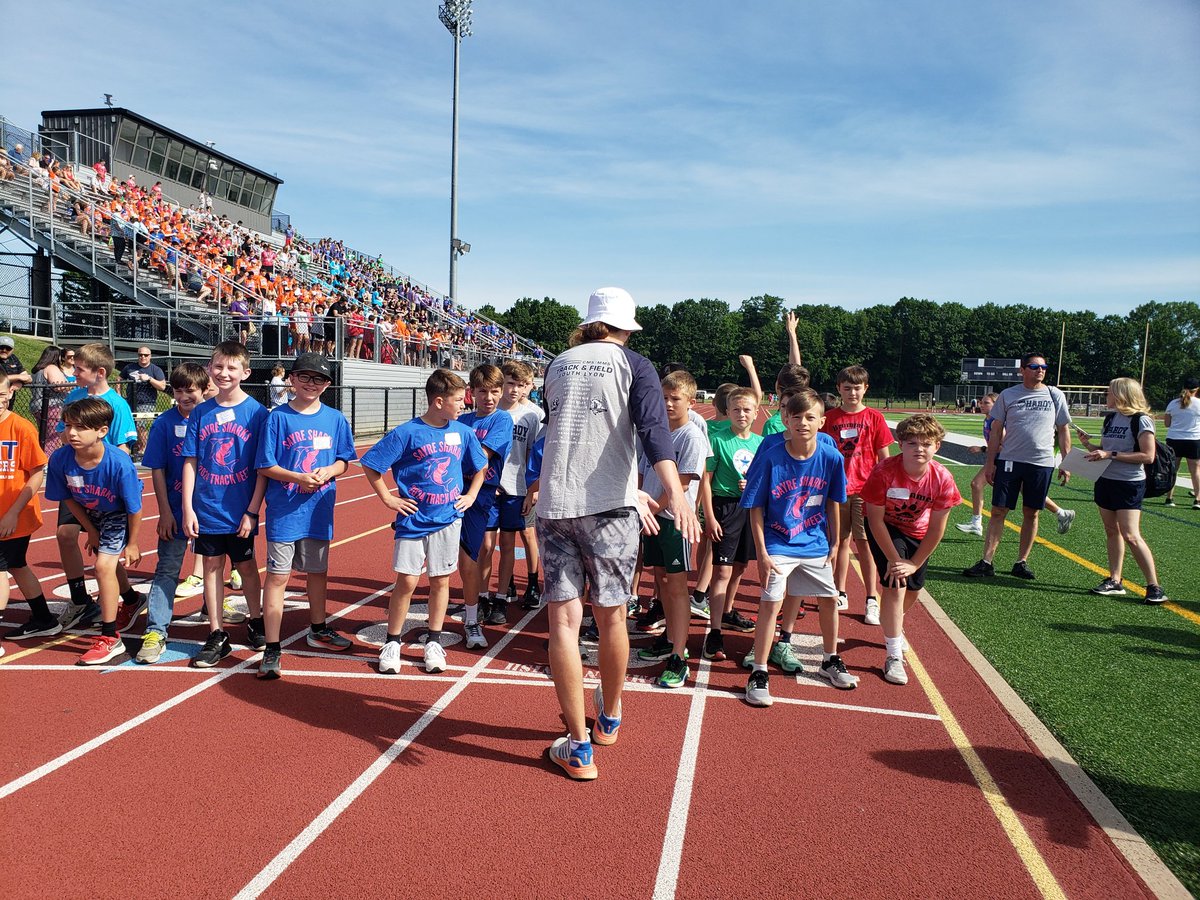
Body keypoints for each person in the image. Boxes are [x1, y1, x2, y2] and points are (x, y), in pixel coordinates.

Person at [537, 287, 699, 780]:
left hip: (556, 504)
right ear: (626, 326)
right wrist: (675, 493)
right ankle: (608, 718)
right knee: (611, 617)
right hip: (609, 508)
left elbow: (564, 434)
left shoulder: (557, 363)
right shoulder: (635, 365)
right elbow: (653, 433)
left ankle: (578, 747)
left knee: (563, 625)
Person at [360, 369, 487, 675]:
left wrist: (471, 495)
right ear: (439, 401)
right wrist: (388, 498)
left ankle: (434, 640)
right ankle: (392, 641)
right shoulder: (407, 432)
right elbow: (371, 465)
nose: (465, 404)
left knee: (440, 581)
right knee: (406, 581)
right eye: (459, 399)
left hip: (448, 519)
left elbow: (480, 467)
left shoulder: (463, 432)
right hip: (414, 520)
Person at [742, 389, 855, 708]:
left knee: (829, 600)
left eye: (809, 417)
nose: (803, 423)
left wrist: (835, 541)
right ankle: (759, 670)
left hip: (814, 541)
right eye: (796, 417)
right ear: (786, 421)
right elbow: (755, 507)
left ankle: (830, 659)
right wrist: (762, 552)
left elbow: (834, 501)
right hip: (778, 542)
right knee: (770, 602)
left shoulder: (831, 457)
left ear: (822, 421)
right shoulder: (771, 456)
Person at [252, 353, 357, 679]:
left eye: (319, 379)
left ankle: (318, 628)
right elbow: (265, 465)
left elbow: (344, 460)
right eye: (305, 377)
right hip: (285, 511)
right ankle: (272, 646)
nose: (311, 383)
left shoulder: (335, 419)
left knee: (318, 572)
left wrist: (330, 471)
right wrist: (297, 477)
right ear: (292, 380)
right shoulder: (277, 418)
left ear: (327, 384)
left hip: (319, 510)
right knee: (278, 576)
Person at [182, 341, 269, 668]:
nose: (224, 373)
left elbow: (263, 467)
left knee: (246, 567)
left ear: (245, 373)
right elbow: (190, 460)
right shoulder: (201, 412)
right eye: (218, 366)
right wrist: (188, 508)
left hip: (239, 510)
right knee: (211, 567)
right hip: (207, 508)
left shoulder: (258, 414)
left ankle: (256, 620)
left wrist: (252, 510)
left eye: (232, 368)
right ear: (209, 369)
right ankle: (217, 632)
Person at [862, 415, 961, 685]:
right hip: (886, 528)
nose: (919, 449)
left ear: (937, 446)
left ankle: (894, 620)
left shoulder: (942, 478)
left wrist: (915, 563)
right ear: (900, 444)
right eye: (912, 443)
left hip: (919, 532)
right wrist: (895, 560)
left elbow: (937, 528)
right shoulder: (884, 472)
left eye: (926, 443)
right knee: (896, 583)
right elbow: (874, 519)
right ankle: (893, 655)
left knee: (914, 589)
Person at [44, 398, 143, 665]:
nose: (72, 433)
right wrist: (90, 530)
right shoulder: (60, 459)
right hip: (90, 511)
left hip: (116, 512)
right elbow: (68, 498)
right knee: (105, 562)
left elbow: (134, 508)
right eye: (68, 426)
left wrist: (133, 543)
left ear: (101, 431)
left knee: (102, 566)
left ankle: (110, 638)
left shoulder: (119, 463)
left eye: (80, 427)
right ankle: (132, 599)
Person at [54, 343, 141, 629]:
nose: (74, 373)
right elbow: (63, 434)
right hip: (77, 482)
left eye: (79, 369)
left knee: (106, 558)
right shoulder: (75, 398)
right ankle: (80, 599)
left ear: (99, 372)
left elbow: (122, 449)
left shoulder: (117, 405)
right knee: (65, 534)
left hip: (104, 489)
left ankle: (126, 600)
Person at [963, 353, 1072, 580]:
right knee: (998, 510)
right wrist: (990, 462)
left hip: (1041, 463)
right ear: (1022, 370)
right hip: (1010, 460)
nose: (1040, 370)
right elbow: (996, 431)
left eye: (1043, 367)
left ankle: (1021, 562)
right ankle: (986, 562)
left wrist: (1066, 461)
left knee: (1031, 512)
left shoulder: (1055, 395)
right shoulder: (1008, 394)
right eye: (1034, 366)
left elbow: (1063, 429)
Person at [634, 369, 708, 689]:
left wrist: (650, 510)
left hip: (673, 520)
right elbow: (642, 472)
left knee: (677, 588)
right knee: (662, 580)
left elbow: (682, 484)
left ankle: (680, 655)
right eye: (663, 397)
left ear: (690, 402)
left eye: (675, 398)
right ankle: (669, 638)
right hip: (652, 516)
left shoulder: (691, 436)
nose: (667, 403)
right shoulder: (656, 433)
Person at [136, 364, 210, 663]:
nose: (183, 396)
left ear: (204, 389)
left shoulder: (214, 418)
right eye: (178, 391)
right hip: (176, 510)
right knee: (167, 569)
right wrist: (164, 512)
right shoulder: (165, 423)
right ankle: (156, 631)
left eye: (190, 390)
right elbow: (157, 469)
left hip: (211, 510)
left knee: (214, 566)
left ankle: (212, 612)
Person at [1077, 378, 1169, 604]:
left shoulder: (1141, 420)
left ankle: (1154, 586)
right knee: (1111, 531)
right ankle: (1115, 580)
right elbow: (1106, 449)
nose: (1106, 396)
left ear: (1121, 395)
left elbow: (1148, 456)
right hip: (1105, 480)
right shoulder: (1110, 418)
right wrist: (1090, 446)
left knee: (1131, 535)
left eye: (1109, 392)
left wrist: (1110, 454)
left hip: (1129, 483)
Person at [822, 365, 893, 623]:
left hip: (866, 490)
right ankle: (839, 590)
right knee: (839, 541)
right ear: (839, 389)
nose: (852, 393)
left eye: (857, 388)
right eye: (847, 388)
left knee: (865, 544)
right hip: (837, 489)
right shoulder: (829, 418)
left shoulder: (874, 418)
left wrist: (884, 490)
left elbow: (884, 458)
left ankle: (871, 597)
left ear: (866, 389)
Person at [700, 385, 763, 664]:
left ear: (755, 413)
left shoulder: (761, 443)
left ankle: (727, 611)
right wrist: (710, 516)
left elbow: (765, 479)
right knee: (722, 570)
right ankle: (714, 631)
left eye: (747, 409)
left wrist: (753, 486)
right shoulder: (718, 440)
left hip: (751, 509)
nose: (741, 414)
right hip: (725, 507)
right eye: (736, 409)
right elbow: (706, 480)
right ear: (728, 411)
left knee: (740, 567)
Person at [957, 392, 1076, 537]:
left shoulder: (996, 422)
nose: (982, 405)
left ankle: (976, 523)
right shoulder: (988, 420)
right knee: (1027, 492)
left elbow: (1005, 446)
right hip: (1002, 459)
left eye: (986, 403)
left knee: (976, 484)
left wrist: (982, 449)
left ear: (996, 405)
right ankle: (1062, 513)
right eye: (981, 402)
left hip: (1005, 460)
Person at [0, 372, 58, 650]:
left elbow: (36, 473)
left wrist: (13, 512)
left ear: (11, 392)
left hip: (14, 515)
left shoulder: (21, 428)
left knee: (0, 569)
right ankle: (44, 619)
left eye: (1, 395)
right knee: (16, 566)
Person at [456, 364, 514, 640]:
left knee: (475, 552)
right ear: (472, 392)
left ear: (501, 392)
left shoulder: (502, 419)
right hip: (451, 491)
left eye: (494, 392)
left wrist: (449, 454)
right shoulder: (463, 420)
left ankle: (477, 609)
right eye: (482, 392)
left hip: (481, 495)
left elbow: (481, 455)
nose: (488, 398)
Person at [494, 361, 544, 612]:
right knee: (500, 540)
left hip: (521, 486)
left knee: (527, 534)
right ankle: (508, 583)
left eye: (521, 385)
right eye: (510, 383)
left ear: (528, 386)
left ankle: (533, 583)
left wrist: (533, 489)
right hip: (495, 486)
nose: (515, 389)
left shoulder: (532, 415)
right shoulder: (491, 410)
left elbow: (535, 455)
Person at [120, 347, 167, 459]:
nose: (143, 357)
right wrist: (119, 393)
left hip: (147, 402)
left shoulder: (155, 369)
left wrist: (149, 379)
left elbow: (162, 386)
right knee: (131, 425)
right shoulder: (129, 367)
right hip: (130, 401)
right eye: (140, 355)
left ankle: (143, 449)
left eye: (146, 355)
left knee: (141, 425)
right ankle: (135, 448)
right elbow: (119, 379)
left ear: (150, 356)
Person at [1163, 376, 1200, 509]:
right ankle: (1197, 499)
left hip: (1174, 439)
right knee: (1195, 471)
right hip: (1193, 440)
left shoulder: (1173, 403)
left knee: (1173, 470)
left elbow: (1167, 424)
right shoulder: (1199, 403)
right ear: (1197, 389)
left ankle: (1169, 498)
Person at [28, 345, 70, 454]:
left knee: (44, 436)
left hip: (37, 406)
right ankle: (48, 460)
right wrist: (71, 385)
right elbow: (59, 386)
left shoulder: (37, 370)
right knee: (53, 438)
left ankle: (42, 456)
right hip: (53, 406)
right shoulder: (51, 368)